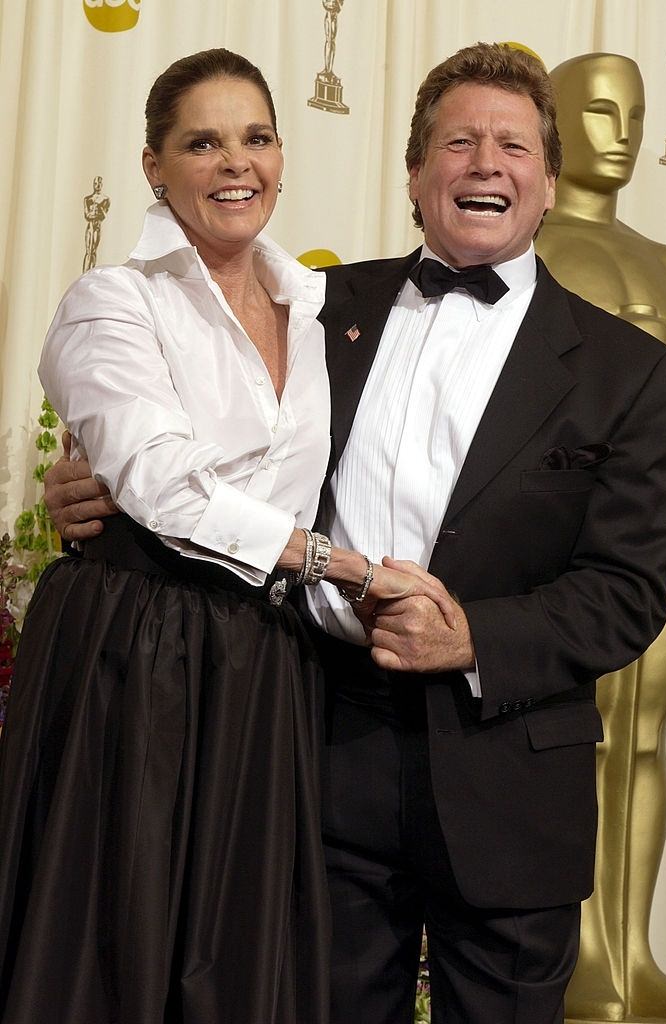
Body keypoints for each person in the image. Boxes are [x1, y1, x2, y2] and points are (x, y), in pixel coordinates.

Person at [44, 43, 666, 1024]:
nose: (482, 162)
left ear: (546, 182)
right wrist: (91, 480)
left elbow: (626, 589)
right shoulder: (313, 309)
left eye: (510, 144)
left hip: (508, 782)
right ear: (415, 174)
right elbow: (212, 443)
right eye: (456, 141)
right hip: (311, 756)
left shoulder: (625, 369)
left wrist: (473, 637)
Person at [0, 47, 455, 1024]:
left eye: (253, 138)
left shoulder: (324, 307)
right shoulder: (112, 301)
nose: (232, 163)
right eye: (200, 143)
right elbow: (158, 480)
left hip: (258, 659)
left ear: (283, 157)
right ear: (153, 166)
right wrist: (337, 563)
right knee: (114, 939)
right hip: (134, 648)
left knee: (236, 950)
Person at [536, 52, 666, 1023]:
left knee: (644, 739)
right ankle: (572, 961)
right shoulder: (534, 252)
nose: (625, 128)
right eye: (600, 108)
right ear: (557, 118)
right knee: (573, 734)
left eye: (635, 111)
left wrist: (644, 413)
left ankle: (630, 956)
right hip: (565, 523)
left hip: (658, 520)